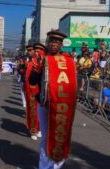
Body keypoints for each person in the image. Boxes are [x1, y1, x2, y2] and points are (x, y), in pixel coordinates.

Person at [29, 31, 77, 169]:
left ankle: (56, 166)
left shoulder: (68, 62)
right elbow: (32, 81)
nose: (54, 44)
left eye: (57, 42)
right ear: (48, 43)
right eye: (51, 41)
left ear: (61, 45)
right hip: (44, 104)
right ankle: (44, 167)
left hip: (62, 105)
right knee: (46, 138)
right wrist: (37, 67)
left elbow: (72, 83)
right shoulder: (42, 60)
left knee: (61, 135)